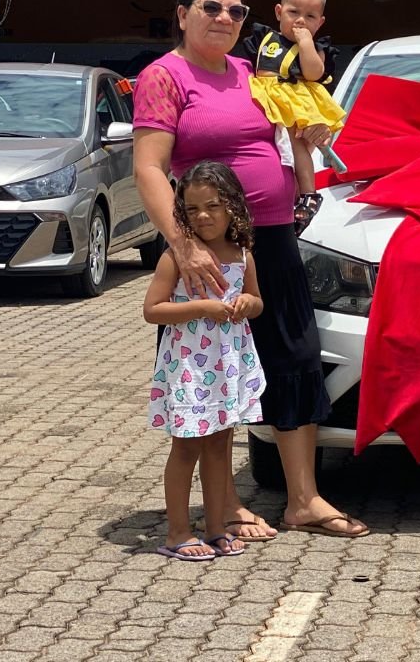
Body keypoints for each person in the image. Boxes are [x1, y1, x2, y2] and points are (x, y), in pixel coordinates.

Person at [133, 0, 369, 540]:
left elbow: (296, 127)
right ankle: (226, 504)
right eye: (211, 7)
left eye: (236, 11)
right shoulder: (165, 76)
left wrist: (312, 136)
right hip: (210, 249)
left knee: (294, 357)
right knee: (211, 368)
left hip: (275, 238)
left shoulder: (252, 72)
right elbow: (149, 169)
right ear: (183, 13)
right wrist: (185, 246)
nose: (225, 18)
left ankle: (303, 500)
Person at [145, 161, 265, 561]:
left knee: (219, 447)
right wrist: (201, 308)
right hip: (191, 369)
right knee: (186, 449)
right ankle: (178, 532)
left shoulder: (242, 254)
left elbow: (257, 301)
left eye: (212, 206)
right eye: (192, 209)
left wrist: (247, 303)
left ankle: (216, 528)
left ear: (232, 206)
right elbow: (153, 309)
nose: (203, 216)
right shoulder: (176, 258)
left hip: (227, 367)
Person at [243, 0, 345, 233]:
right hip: (264, 97)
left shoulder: (316, 48)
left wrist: (306, 43)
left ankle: (309, 194)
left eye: (310, 16)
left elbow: (313, 73)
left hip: (292, 101)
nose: (300, 21)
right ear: (279, 12)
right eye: (293, 12)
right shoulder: (264, 38)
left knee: (296, 145)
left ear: (320, 22)